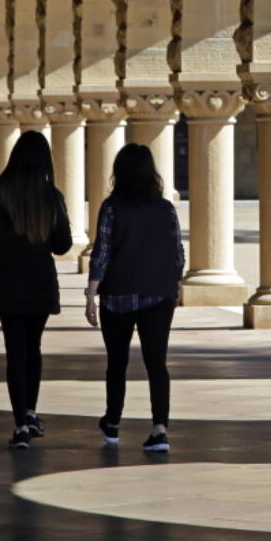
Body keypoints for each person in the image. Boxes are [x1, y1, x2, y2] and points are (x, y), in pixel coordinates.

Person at [0, 131, 72, 449]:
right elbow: (63, 244)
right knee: (34, 347)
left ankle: (20, 423)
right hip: (39, 279)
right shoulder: (50, 195)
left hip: (7, 278)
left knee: (15, 351)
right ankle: (31, 411)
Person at [85, 143, 185, 453]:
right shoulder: (165, 208)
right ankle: (159, 429)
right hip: (158, 294)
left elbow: (102, 252)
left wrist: (91, 294)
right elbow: (177, 254)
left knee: (117, 363)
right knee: (157, 364)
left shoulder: (112, 207)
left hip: (118, 295)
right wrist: (174, 285)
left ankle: (113, 423)